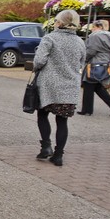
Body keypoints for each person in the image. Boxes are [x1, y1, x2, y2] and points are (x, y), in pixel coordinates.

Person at [33, 10, 86, 166]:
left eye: (56, 20)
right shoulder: (80, 42)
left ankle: (46, 146)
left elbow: (39, 61)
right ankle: (58, 155)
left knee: (42, 115)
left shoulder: (50, 38)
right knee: (62, 121)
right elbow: (82, 63)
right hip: (70, 86)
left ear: (60, 23)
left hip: (49, 85)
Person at [78, 20, 110, 116]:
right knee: (97, 86)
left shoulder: (95, 36)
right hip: (104, 62)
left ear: (99, 27)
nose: (92, 29)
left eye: (94, 27)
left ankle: (87, 109)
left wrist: (84, 59)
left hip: (95, 63)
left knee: (88, 84)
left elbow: (91, 50)